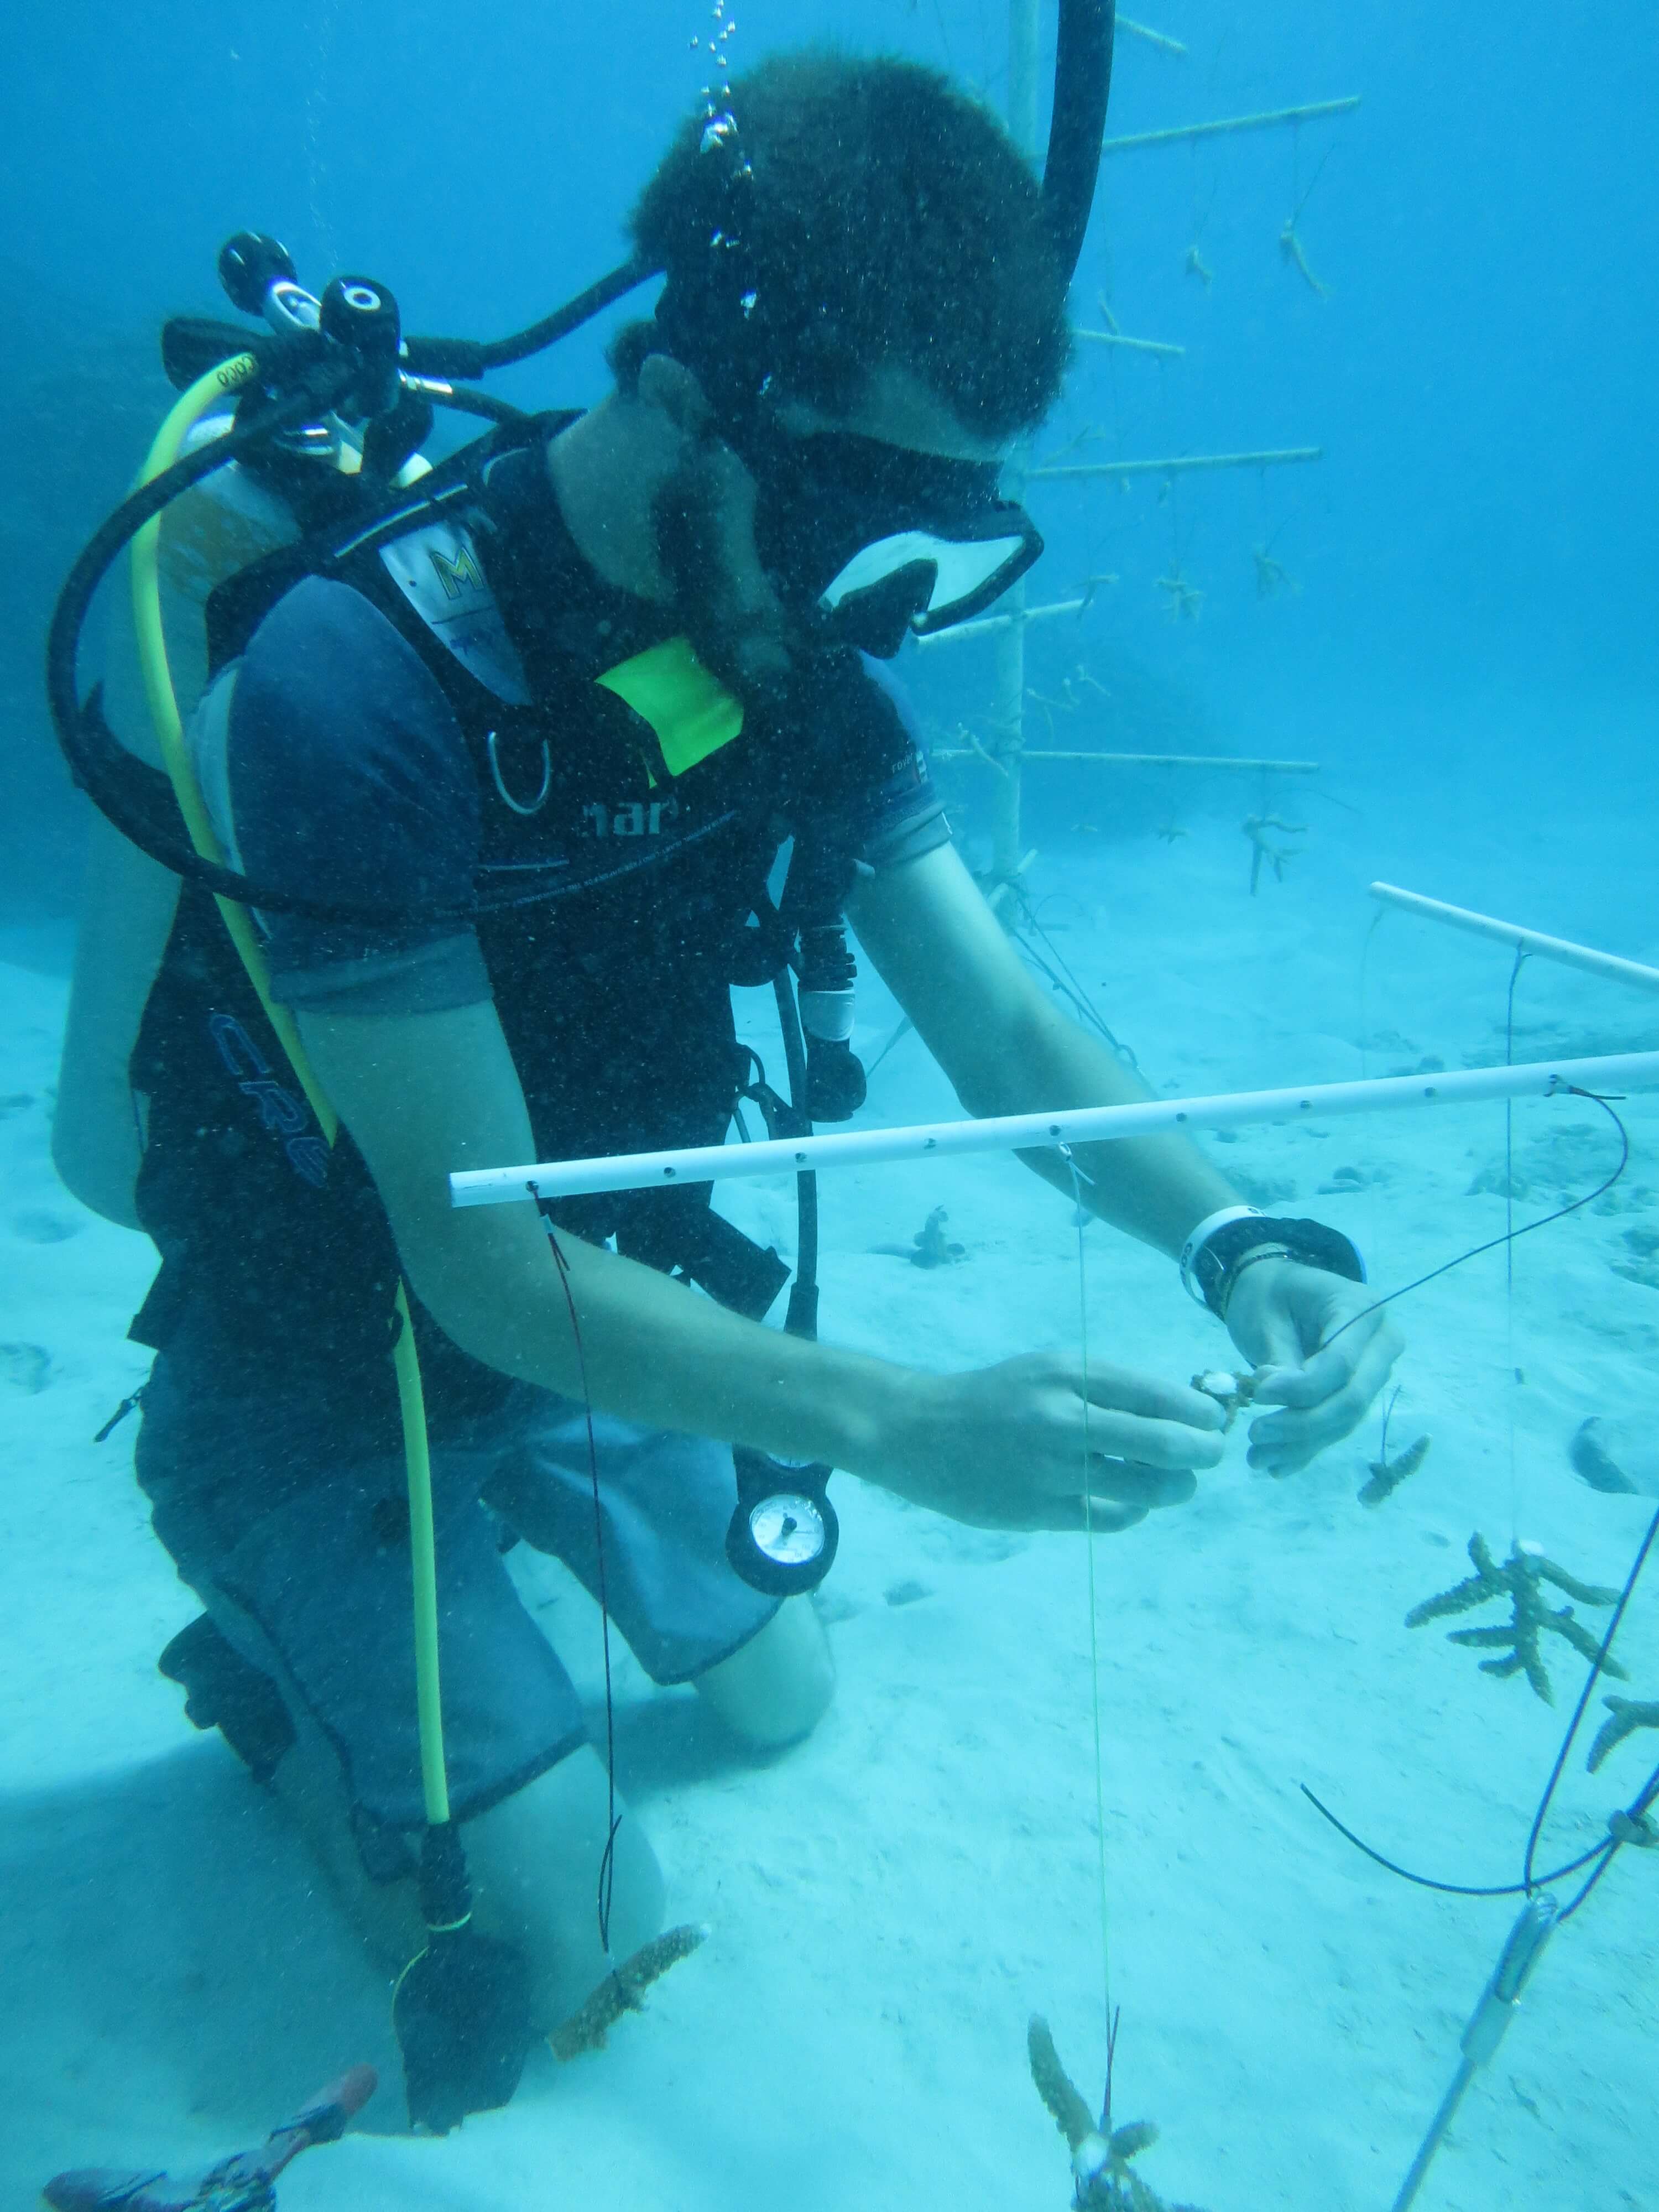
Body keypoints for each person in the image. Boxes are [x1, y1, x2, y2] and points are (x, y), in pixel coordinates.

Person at [53, 49, 1400, 2041]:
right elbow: (475, 1253)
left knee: (787, 1704)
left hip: (578, 1343)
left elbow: (1004, 1019)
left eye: (950, 538)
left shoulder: (789, 642)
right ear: (690, 399)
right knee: (576, 1945)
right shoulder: (369, 683)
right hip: (327, 1361)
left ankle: (472, 1610)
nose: (888, 606)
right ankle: (270, 1660)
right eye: (873, 517)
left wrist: (1244, 1239)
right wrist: (912, 1424)